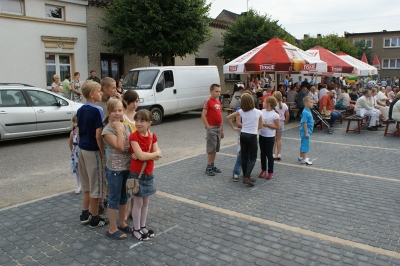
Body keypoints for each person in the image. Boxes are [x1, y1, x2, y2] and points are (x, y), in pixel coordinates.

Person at [76, 80, 108, 228]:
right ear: (91, 94)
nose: (101, 93)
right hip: (92, 150)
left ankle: (84, 213)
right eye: (99, 91)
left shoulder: (80, 109)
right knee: (96, 186)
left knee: (87, 185)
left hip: (81, 149)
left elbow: (78, 131)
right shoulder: (97, 110)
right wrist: (102, 153)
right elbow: (98, 135)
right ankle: (95, 218)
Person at [129, 109, 162, 241]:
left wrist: (145, 156)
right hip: (136, 174)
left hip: (148, 173)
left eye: (142, 121)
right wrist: (151, 155)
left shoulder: (153, 136)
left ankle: (143, 226)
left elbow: (158, 156)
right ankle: (136, 229)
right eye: (136, 120)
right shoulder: (133, 137)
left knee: (146, 202)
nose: (138, 123)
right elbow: (153, 154)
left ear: (149, 123)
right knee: (138, 202)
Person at [102, 99, 132, 240]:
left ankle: (122, 223)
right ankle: (112, 229)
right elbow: (120, 147)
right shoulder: (107, 130)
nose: (117, 113)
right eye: (114, 111)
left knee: (124, 197)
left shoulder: (128, 127)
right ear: (109, 112)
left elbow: (131, 146)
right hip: (114, 170)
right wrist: (119, 130)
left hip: (127, 167)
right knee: (114, 199)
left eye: (120, 110)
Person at [227, 93, 262, 186]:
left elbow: (228, 117)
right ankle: (247, 176)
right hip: (252, 136)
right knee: (253, 158)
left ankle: (246, 175)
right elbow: (260, 126)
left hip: (243, 135)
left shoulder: (241, 111)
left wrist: (233, 128)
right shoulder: (258, 112)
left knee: (244, 156)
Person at [122, 90, 139, 220]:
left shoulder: (139, 116)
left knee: (135, 184)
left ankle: (134, 211)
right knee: (126, 185)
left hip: (137, 155)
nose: (134, 104)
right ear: (125, 102)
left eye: (137, 101)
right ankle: (125, 212)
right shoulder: (122, 117)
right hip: (126, 155)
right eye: (132, 102)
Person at [201, 84, 224, 176]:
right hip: (212, 128)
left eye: (219, 91)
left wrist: (222, 130)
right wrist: (208, 127)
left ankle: (212, 165)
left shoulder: (218, 102)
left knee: (215, 148)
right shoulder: (208, 101)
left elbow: (221, 116)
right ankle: (208, 166)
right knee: (211, 148)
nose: (218, 93)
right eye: (216, 91)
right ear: (211, 91)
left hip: (218, 128)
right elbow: (203, 115)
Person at [258, 97, 279, 179]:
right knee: (262, 153)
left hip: (270, 136)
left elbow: (277, 126)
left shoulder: (275, 114)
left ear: (268, 104)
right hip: (262, 135)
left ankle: (270, 171)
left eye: (264, 102)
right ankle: (263, 169)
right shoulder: (261, 112)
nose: (262, 103)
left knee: (269, 154)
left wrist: (267, 125)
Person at [298, 96, 314, 165]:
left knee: (303, 143)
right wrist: (306, 132)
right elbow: (305, 122)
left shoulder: (307, 110)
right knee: (305, 144)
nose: (312, 103)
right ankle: (304, 159)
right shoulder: (305, 112)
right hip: (305, 131)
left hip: (306, 130)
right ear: (306, 103)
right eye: (311, 102)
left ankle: (301, 156)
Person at [273, 91, 288, 160]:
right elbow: (287, 115)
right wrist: (286, 121)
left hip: (273, 122)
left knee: (273, 139)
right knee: (279, 139)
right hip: (281, 122)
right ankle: (279, 153)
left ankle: (273, 153)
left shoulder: (273, 105)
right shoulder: (284, 105)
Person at [69, 115, 81, 194]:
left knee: (84, 170)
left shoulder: (83, 131)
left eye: (77, 122)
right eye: (74, 122)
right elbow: (70, 143)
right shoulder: (72, 133)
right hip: (76, 153)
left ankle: (84, 185)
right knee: (77, 171)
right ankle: (79, 186)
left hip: (82, 151)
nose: (75, 124)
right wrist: (73, 152)